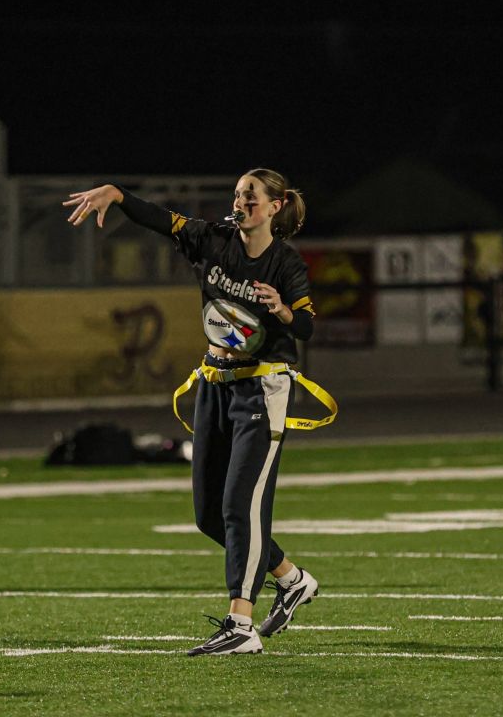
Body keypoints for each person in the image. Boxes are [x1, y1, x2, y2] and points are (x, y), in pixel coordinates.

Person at [65, 169, 328, 656]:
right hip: (214, 384)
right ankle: (291, 580)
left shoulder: (285, 264)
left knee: (239, 507)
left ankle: (240, 624)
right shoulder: (213, 240)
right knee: (210, 516)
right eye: (237, 195)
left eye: (250, 196)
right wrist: (118, 195)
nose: (241, 202)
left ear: (275, 206)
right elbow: (161, 221)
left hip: (260, 389)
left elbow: (308, 325)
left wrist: (284, 312)